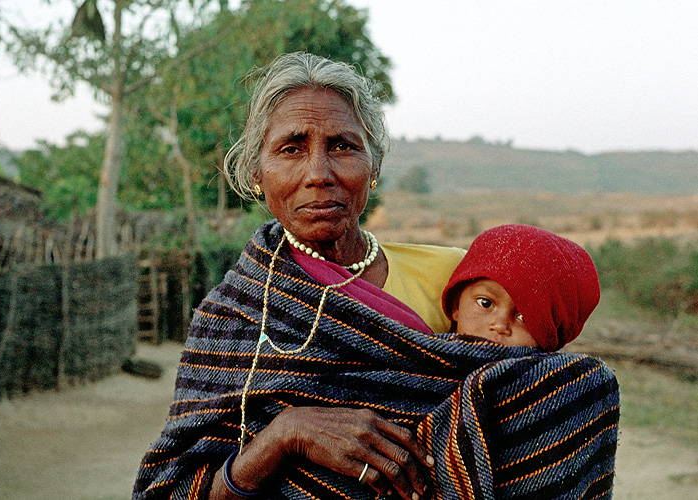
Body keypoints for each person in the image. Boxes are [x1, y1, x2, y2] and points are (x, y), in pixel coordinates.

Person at [133, 52, 619, 500]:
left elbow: (536, 399)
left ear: (375, 166)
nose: (319, 172)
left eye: (343, 145)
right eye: (291, 148)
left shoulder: (461, 279)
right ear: (256, 172)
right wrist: (285, 436)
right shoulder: (231, 317)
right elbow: (169, 490)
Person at [442, 224, 600, 351]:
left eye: (524, 318)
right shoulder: (421, 361)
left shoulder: (562, 384)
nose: (500, 326)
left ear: (551, 337)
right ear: (456, 304)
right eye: (485, 303)